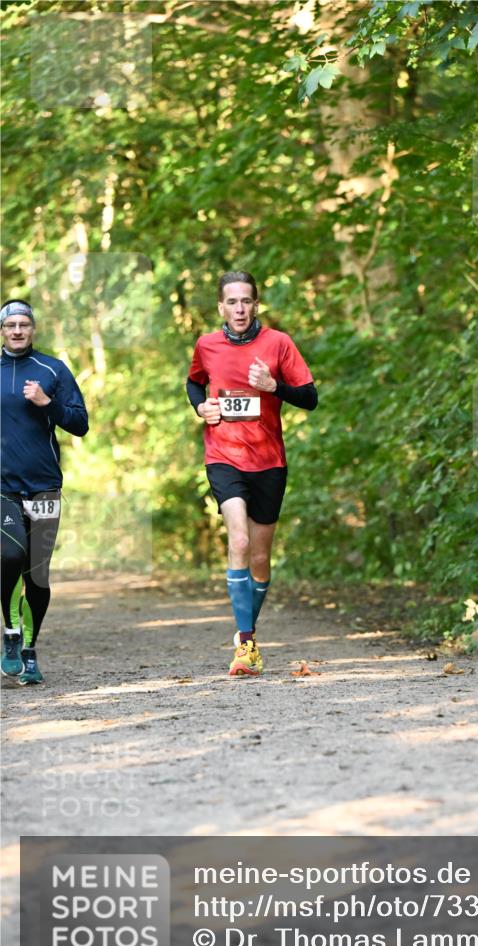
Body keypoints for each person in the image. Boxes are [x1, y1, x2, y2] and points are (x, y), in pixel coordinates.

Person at [186, 270, 317, 677]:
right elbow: (194, 384)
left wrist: (274, 386)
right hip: (224, 455)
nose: (239, 309)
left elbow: (310, 398)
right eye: (232, 302)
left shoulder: (279, 343)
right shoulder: (207, 345)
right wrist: (200, 408)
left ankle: (247, 633)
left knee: (260, 557)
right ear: (221, 307)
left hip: (269, 461)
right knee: (238, 539)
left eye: (246, 301)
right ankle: (246, 644)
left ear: (255, 304)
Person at [0, 299, 89, 685]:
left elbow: (80, 424)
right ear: (2, 331)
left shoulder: (53, 370)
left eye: (24, 324)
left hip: (45, 488)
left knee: (37, 572)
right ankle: (10, 635)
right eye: (10, 325)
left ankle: (31, 651)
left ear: (33, 329)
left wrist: (46, 402)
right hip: (2, 488)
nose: (17, 331)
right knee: (9, 553)